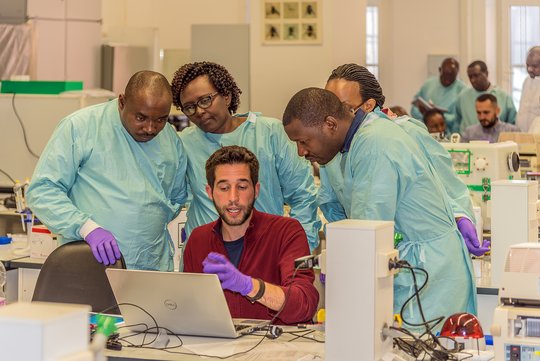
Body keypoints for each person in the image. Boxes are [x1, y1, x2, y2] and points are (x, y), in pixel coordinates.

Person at [282, 87, 477, 331]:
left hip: (428, 276)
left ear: (330, 124)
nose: (301, 152)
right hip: (419, 267)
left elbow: (367, 233)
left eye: (303, 141)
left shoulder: (373, 144)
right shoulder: (362, 139)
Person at [26, 71, 187, 271]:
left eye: (160, 119)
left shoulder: (170, 140)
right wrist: (86, 228)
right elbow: (42, 191)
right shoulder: (81, 127)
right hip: (89, 263)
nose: (150, 128)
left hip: (151, 264)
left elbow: (177, 198)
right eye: (140, 117)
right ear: (121, 102)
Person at [325, 64, 488, 257]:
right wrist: (341, 251)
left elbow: (445, 185)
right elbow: (332, 203)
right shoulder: (332, 147)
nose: (333, 118)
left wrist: (461, 217)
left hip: (421, 257)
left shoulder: (406, 133)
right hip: (372, 252)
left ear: (368, 106)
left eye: (343, 108)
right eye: (328, 107)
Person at [171, 62, 321, 251]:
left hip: (264, 252)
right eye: (190, 107)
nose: (199, 111)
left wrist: (299, 251)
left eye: (205, 100)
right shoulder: (184, 143)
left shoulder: (269, 133)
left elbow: (302, 196)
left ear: (226, 96)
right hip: (206, 256)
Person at [183, 146, 318, 325]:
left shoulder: (286, 231)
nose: (233, 197)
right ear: (210, 192)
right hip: (220, 349)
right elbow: (192, 311)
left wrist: (248, 286)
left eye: (242, 186)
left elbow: (304, 305)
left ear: (256, 190)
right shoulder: (198, 239)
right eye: (224, 188)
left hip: (278, 349)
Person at [454, 60, 517, 134]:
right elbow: (456, 122)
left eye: (476, 75)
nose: (473, 80)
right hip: (468, 141)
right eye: (470, 76)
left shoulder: (503, 97)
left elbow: (512, 122)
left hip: (496, 142)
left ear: (486, 73)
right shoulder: (463, 96)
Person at [410, 58, 467, 133]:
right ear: (440, 70)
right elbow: (414, 108)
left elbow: (460, 118)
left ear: (457, 73)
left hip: (449, 133)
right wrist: (425, 115)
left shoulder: (462, 90)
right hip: (426, 130)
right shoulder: (428, 84)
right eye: (446, 75)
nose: (448, 79)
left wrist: (440, 116)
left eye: (452, 75)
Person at [516, 46, 540, 132]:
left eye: (534, 66)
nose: (529, 69)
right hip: (523, 135)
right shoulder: (526, 81)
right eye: (527, 65)